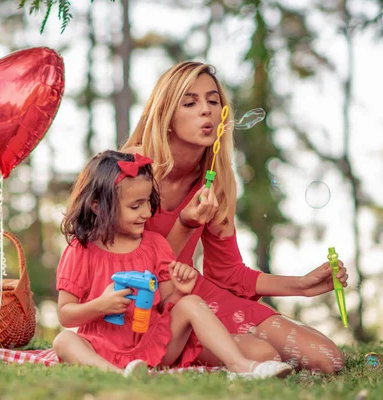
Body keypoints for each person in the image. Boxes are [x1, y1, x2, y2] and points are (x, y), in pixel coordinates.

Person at [122, 61, 348, 374]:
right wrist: (185, 224)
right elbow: (125, 267)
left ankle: (221, 345)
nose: (206, 111)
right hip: (143, 305)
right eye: (190, 102)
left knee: (327, 359)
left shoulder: (218, 180)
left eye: (213, 101)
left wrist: (302, 285)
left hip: (193, 293)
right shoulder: (129, 169)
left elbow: (228, 272)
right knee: (263, 354)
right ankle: (214, 349)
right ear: (166, 115)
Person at [51, 150, 293, 379]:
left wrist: (181, 291)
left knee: (192, 302)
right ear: (97, 207)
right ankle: (119, 376)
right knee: (63, 341)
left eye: (147, 202)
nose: (146, 212)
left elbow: (167, 302)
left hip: (153, 347)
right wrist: (100, 306)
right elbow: (66, 314)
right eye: (135, 206)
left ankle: (240, 365)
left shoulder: (155, 245)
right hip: (101, 347)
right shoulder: (80, 251)